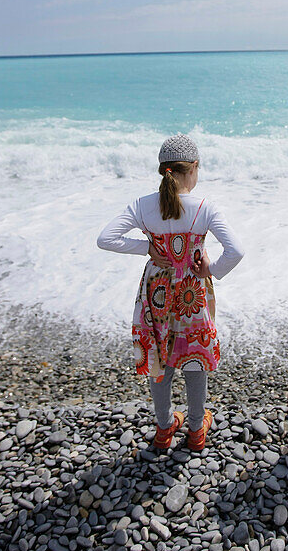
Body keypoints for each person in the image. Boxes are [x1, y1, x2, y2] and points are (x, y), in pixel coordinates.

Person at [97, 134, 243, 452]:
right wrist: (211, 269)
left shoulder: (143, 205)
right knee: (193, 359)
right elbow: (236, 250)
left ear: (163, 170)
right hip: (193, 293)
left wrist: (146, 247)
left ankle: (164, 429)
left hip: (157, 292)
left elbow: (105, 238)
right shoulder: (205, 208)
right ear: (194, 168)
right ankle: (194, 430)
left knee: (159, 360)